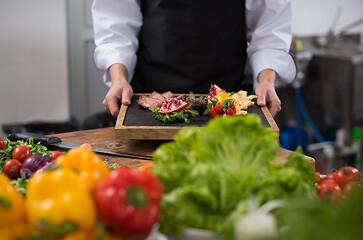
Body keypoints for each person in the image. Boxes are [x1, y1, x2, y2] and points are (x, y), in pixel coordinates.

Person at [92, 0, 296, 118]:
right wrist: (118, 79)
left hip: (228, 98)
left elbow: (269, 27)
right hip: (152, 94)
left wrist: (267, 81)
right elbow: (115, 24)